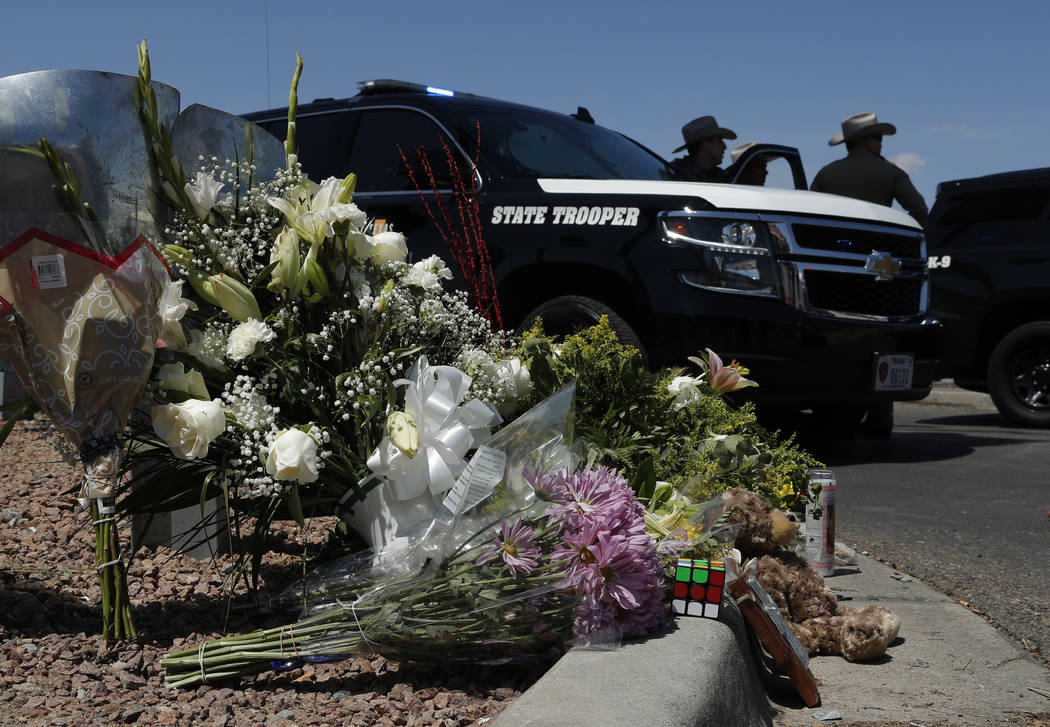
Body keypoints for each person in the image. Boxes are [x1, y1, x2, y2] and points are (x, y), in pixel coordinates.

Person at [810, 112, 928, 227]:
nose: (882, 145)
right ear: (870, 142)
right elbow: (920, 209)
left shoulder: (825, 173)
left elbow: (810, 210)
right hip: (879, 242)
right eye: (880, 138)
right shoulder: (892, 172)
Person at [669, 115, 737, 182]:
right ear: (706, 145)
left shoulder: (719, 175)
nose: (724, 147)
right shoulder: (674, 173)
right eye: (719, 141)